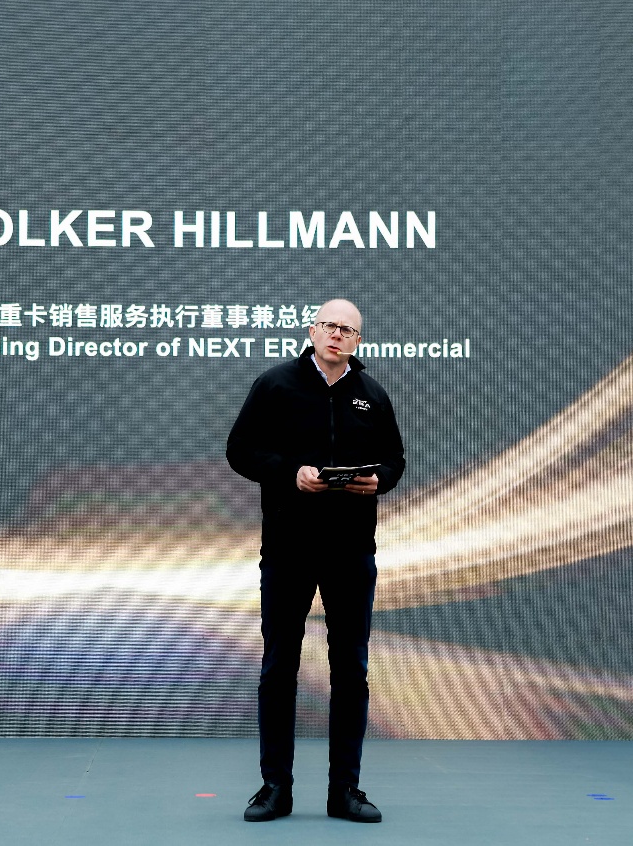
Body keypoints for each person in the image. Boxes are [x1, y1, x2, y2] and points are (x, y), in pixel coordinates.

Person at [226, 298, 405, 824]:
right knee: (280, 666)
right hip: (289, 547)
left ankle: (344, 790)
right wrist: (291, 473)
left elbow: (394, 459)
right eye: (330, 325)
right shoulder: (276, 384)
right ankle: (274, 788)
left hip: (352, 550)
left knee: (350, 669)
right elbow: (240, 450)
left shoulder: (371, 394)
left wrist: (379, 480)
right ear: (312, 331)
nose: (337, 335)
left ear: (358, 341)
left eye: (348, 329)